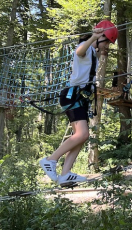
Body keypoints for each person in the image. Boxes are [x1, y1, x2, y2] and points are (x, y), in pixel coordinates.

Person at [39, 20, 118, 187]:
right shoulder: (86, 47)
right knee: (82, 134)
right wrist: (94, 37)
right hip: (71, 96)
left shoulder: (94, 53)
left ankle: (65, 174)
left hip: (79, 98)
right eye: (107, 43)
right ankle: (50, 160)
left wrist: (98, 43)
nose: (107, 47)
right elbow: (79, 51)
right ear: (99, 37)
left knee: (81, 137)